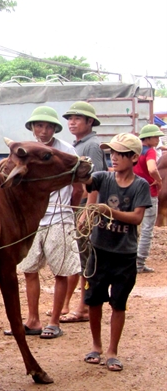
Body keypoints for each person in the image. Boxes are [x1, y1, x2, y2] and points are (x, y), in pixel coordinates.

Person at [6, 106, 82, 339]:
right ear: (32, 128)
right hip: (33, 220)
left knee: (60, 271)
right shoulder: (24, 151)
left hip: (59, 216)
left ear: (55, 129)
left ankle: (54, 321)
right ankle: (33, 320)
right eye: (39, 125)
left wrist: (70, 210)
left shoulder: (67, 151)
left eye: (49, 126)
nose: (44, 130)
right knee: (28, 269)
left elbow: (78, 187)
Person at [81, 133, 151, 371]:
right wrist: (81, 170)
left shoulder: (140, 185)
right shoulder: (102, 177)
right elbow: (87, 181)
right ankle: (96, 346)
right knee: (94, 301)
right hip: (99, 251)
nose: (114, 157)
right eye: (112, 153)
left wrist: (107, 211)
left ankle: (113, 350)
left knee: (119, 303)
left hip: (125, 255)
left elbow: (137, 217)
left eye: (120, 154)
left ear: (134, 157)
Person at [60, 101, 108, 323]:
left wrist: (88, 212)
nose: (72, 122)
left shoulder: (92, 146)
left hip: (86, 207)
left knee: (85, 259)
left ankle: (84, 307)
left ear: (90, 122)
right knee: (75, 257)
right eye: (70, 119)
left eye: (77, 118)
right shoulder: (77, 145)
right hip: (77, 206)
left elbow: (96, 181)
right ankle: (67, 304)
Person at [132, 123, 163, 273]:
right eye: (156, 137)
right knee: (147, 229)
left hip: (133, 191)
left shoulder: (136, 152)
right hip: (149, 193)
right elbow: (152, 168)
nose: (158, 139)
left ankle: (129, 260)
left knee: (132, 228)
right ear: (148, 138)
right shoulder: (150, 152)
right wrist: (158, 179)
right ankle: (139, 263)